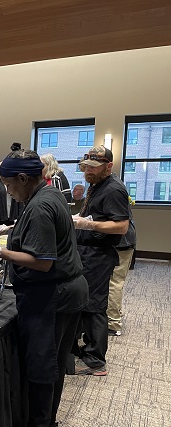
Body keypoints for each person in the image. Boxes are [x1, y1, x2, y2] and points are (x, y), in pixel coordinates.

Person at [0, 147, 88, 427]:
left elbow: (42, 262)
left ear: (23, 178)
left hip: (53, 295)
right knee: (56, 363)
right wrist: (9, 232)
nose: (8, 191)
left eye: (9, 185)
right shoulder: (49, 195)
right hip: (69, 292)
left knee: (41, 366)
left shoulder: (38, 207)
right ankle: (47, 426)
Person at [72, 145, 130, 375]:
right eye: (86, 167)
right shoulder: (96, 184)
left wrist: (88, 224)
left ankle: (95, 360)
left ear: (108, 166)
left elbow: (121, 226)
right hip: (86, 251)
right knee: (83, 302)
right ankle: (82, 350)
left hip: (99, 254)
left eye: (94, 168)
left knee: (94, 306)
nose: (89, 171)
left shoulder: (114, 189)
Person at [107, 188, 136, 336]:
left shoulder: (113, 190)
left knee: (114, 282)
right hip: (125, 242)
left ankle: (113, 322)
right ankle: (115, 314)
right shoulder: (117, 188)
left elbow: (118, 225)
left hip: (121, 243)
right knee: (117, 281)